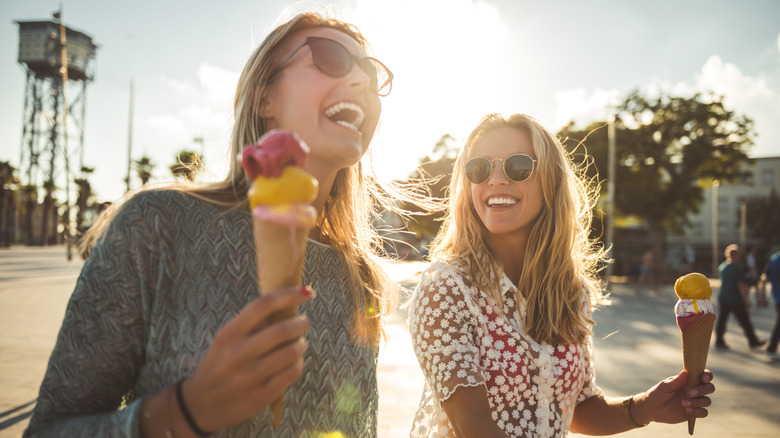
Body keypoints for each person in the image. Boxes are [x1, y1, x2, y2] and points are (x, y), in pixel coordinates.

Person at [25, 10, 398, 437]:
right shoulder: (157, 225)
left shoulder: (360, 276)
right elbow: (47, 430)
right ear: (264, 98)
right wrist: (184, 410)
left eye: (371, 73)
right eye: (331, 58)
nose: (362, 82)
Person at [409, 113, 715, 438]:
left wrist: (644, 407)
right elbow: (473, 425)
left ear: (550, 182)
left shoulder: (572, 291)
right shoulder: (445, 286)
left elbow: (577, 409)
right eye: (479, 168)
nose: (495, 179)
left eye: (518, 166)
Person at [714, 244, 766, 350]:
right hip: (735, 299)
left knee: (722, 320)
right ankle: (753, 340)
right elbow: (741, 285)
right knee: (745, 321)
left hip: (723, 296)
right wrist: (746, 300)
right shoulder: (738, 268)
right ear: (735, 255)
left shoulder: (722, 266)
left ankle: (719, 340)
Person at [759, 250, 780, 360]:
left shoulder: (773, 259)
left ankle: (771, 349)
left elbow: (764, 278)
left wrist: (762, 295)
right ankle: (771, 349)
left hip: (777, 297)